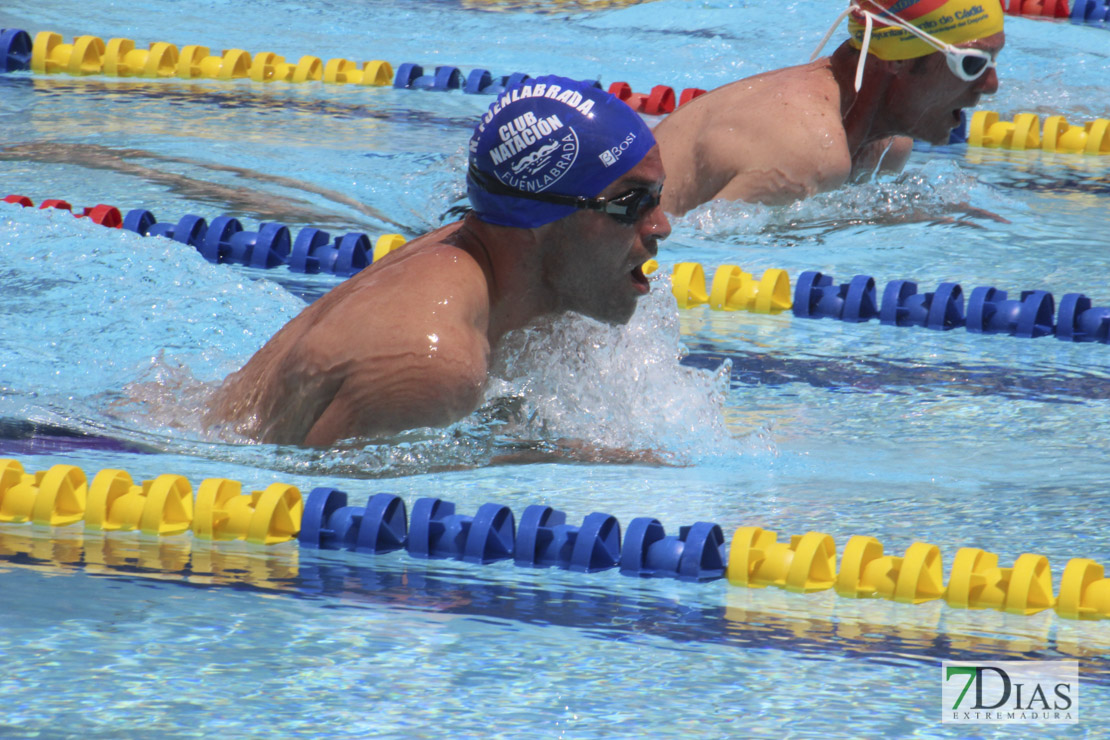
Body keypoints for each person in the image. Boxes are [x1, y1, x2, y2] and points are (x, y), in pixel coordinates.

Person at [205, 75, 670, 447]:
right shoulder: (432, 366)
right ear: (541, 219)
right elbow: (326, 524)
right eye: (630, 204)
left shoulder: (508, 267)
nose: (660, 227)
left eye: (658, 197)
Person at [654, 0, 1006, 215]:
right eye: (972, 64)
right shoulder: (806, 149)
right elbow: (703, 271)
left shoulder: (889, 147)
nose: (990, 86)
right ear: (897, 61)